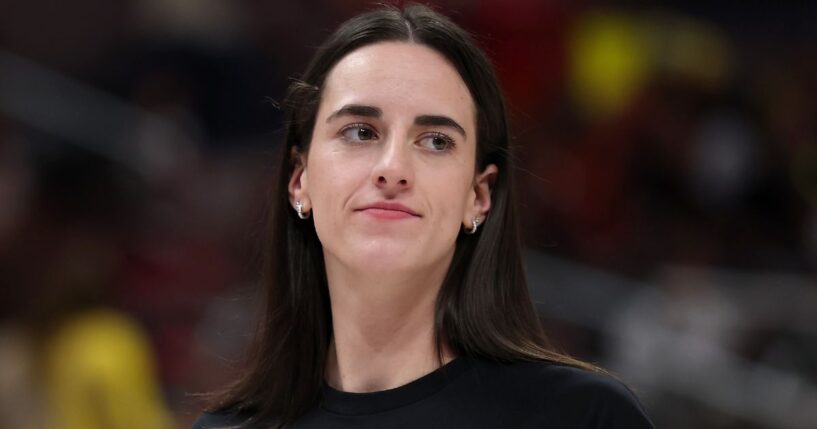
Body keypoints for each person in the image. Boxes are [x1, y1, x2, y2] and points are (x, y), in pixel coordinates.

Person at [193, 4, 653, 428]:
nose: (393, 169)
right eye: (360, 131)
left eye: (436, 141)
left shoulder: (583, 417)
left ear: (479, 195)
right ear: (300, 179)